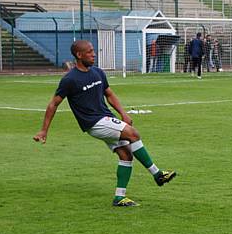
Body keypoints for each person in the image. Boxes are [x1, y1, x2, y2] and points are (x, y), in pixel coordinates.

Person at [33, 40, 176, 207]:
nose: (94, 54)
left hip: (105, 118)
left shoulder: (98, 72)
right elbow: (53, 104)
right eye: (89, 52)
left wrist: (123, 113)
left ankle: (119, 197)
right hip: (94, 123)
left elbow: (109, 94)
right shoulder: (70, 80)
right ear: (79, 55)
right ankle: (157, 174)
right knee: (133, 134)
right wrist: (44, 130)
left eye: (93, 51)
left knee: (126, 155)